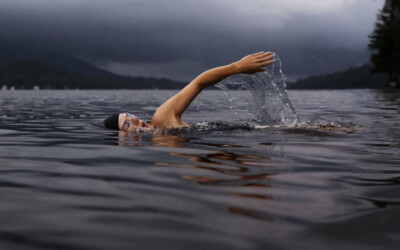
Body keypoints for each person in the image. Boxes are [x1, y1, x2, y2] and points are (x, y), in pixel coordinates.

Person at [104, 51, 275, 132]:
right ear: (123, 139)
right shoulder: (159, 141)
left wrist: (237, 67)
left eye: (129, 115)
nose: (134, 119)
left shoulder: (161, 119)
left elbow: (199, 83)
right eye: (127, 124)